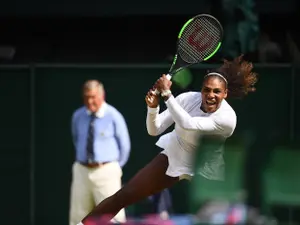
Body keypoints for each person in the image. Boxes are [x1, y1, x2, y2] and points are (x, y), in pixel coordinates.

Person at [78, 56, 258, 225]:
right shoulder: (187, 99)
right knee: (125, 195)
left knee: (210, 218)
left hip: (205, 167)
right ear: (201, 90)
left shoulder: (228, 119)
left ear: (225, 94)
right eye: (207, 90)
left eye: (217, 91)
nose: (211, 95)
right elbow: (154, 129)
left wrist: (166, 94)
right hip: (176, 153)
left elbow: (188, 124)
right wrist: (153, 107)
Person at [69, 80, 131, 225]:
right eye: (86, 97)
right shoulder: (78, 116)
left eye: (93, 96)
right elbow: (76, 139)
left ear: (102, 95)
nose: (90, 101)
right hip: (81, 171)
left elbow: (125, 147)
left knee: (113, 217)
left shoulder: (113, 115)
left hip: (106, 170)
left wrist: (112, 167)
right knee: (78, 217)